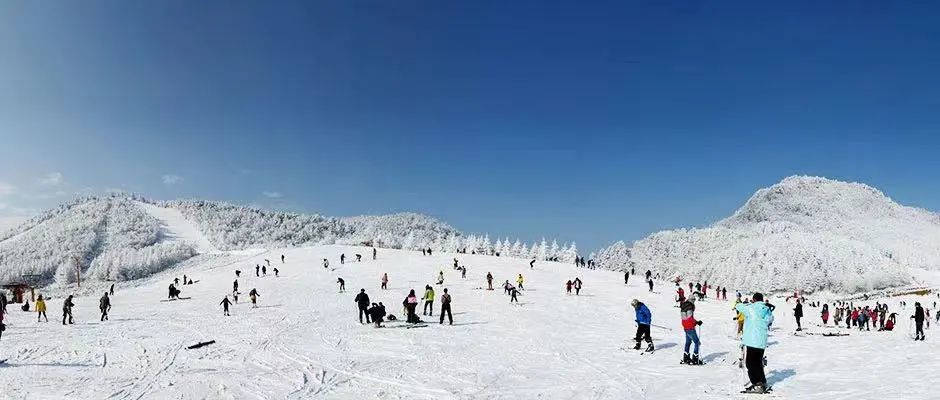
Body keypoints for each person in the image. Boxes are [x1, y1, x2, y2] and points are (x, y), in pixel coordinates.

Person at [735, 293, 775, 394]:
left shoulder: (751, 308)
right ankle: (762, 382)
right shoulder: (766, 310)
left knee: (750, 363)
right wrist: (769, 309)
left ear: (754, 299)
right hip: (761, 341)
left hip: (752, 340)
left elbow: (738, 306)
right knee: (758, 363)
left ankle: (757, 384)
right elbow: (771, 320)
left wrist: (740, 301)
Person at [680, 297, 703, 365]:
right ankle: (695, 359)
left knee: (688, 342)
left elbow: (686, 318)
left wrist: (695, 322)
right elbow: (690, 318)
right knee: (697, 342)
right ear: (692, 300)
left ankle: (686, 357)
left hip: (685, 326)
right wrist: (696, 322)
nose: (694, 302)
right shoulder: (690, 306)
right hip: (690, 327)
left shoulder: (684, 305)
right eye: (694, 300)